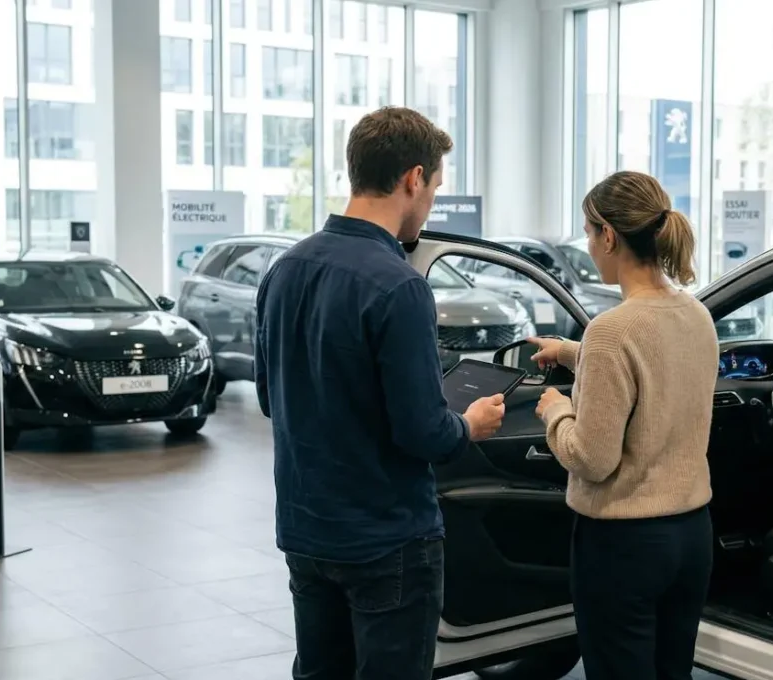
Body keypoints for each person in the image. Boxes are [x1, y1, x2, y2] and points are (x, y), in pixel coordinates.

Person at [254, 107, 507, 680]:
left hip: (305, 531)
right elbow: (424, 432)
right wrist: (470, 422)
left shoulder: (283, 270)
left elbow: (272, 399)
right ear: (413, 178)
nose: (432, 203)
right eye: (435, 188)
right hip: (387, 540)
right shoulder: (399, 285)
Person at [528, 171, 719, 680]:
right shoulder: (696, 315)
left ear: (608, 236)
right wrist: (573, 353)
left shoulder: (611, 331)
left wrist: (555, 411)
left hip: (623, 545)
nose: (589, 246)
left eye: (589, 234)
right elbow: (657, 364)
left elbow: (593, 458)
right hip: (691, 537)